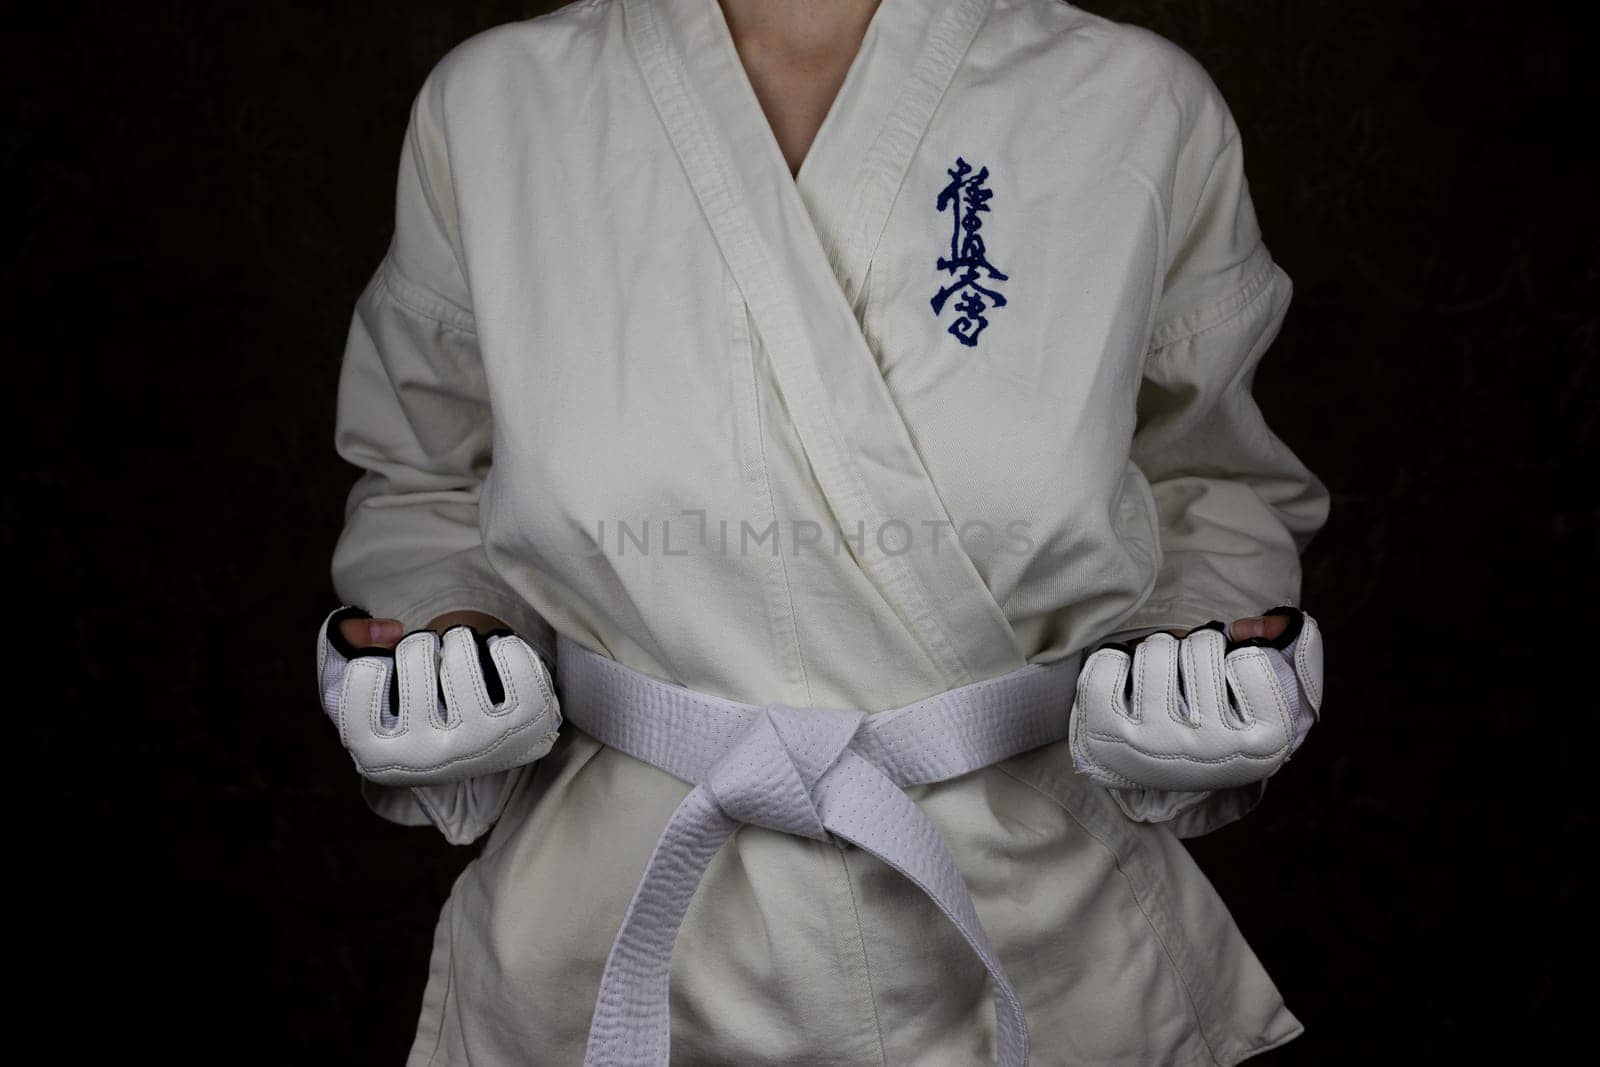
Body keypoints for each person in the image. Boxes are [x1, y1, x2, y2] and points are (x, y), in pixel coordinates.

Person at [317, 0, 1330, 1062]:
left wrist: (1191, 651)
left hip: (1036, 918)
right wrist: (451, 634)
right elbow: (428, 475)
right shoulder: (495, 109)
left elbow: (1208, 476)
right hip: (612, 924)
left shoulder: (1135, 101)